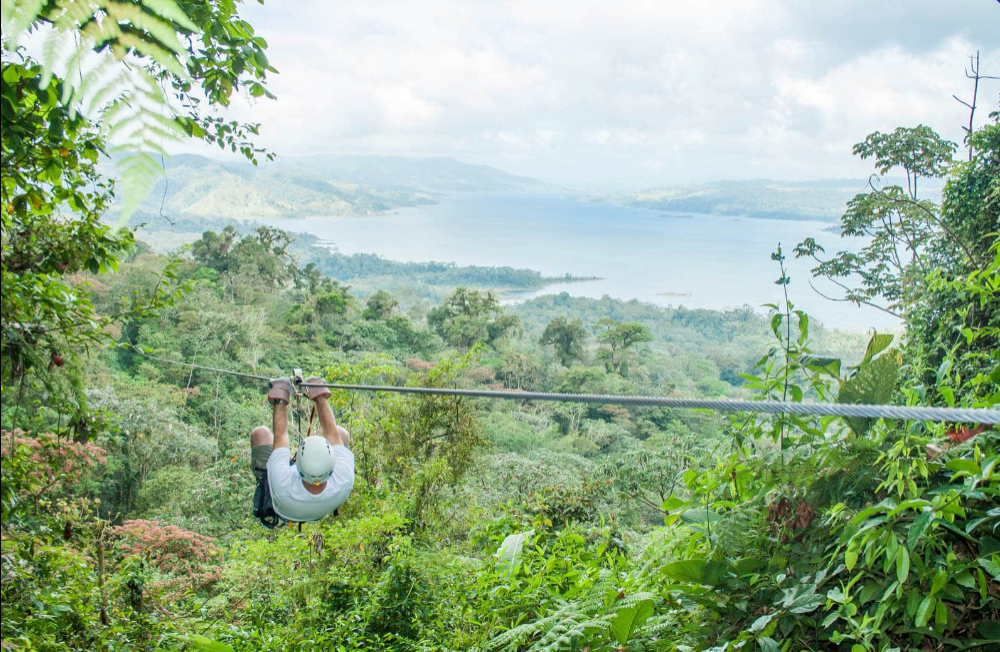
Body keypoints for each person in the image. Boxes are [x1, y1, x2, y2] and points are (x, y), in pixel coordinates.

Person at [249, 377, 354, 523]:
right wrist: (319, 396)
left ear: (297, 464)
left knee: (260, 434)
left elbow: (281, 436)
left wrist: (280, 397)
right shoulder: (344, 478)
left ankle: (264, 475)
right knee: (341, 434)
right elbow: (332, 433)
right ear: (332, 464)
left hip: (283, 508)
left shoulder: (282, 482)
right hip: (319, 506)